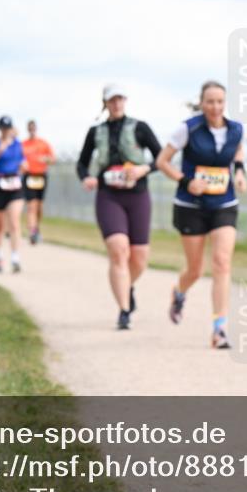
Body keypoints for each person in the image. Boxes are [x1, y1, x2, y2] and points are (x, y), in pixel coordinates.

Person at [156, 81, 246, 349]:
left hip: (224, 203)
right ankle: (179, 292)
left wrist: (240, 172)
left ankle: (219, 329)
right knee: (195, 270)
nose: (215, 107)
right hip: (191, 206)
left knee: (221, 262)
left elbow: (237, 149)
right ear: (202, 103)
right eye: (210, 102)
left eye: (220, 101)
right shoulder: (189, 128)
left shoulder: (236, 129)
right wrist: (186, 181)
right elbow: (162, 161)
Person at [76, 84, 162, 330]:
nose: (116, 104)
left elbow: (161, 158)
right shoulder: (96, 132)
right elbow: (82, 163)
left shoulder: (140, 127)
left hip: (137, 195)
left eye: (120, 99)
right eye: (112, 100)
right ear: (105, 103)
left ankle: (127, 286)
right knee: (118, 249)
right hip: (109, 196)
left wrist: (144, 169)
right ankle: (124, 310)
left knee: (139, 257)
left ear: (125, 101)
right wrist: (86, 177)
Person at [0, 115, 26, 273]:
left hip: (14, 184)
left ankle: (15, 257)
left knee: (14, 221)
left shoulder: (17, 144)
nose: (6, 130)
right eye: (3, 128)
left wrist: (24, 166)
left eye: (8, 128)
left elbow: (21, 160)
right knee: (0, 224)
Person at [21, 119, 56, 244]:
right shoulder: (23, 144)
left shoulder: (43, 143)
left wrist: (46, 159)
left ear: (36, 129)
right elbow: (17, 160)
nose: (32, 130)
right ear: (27, 129)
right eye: (30, 128)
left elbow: (53, 159)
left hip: (41, 176)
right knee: (31, 205)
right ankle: (32, 232)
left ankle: (36, 227)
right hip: (29, 176)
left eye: (33, 128)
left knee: (39, 206)